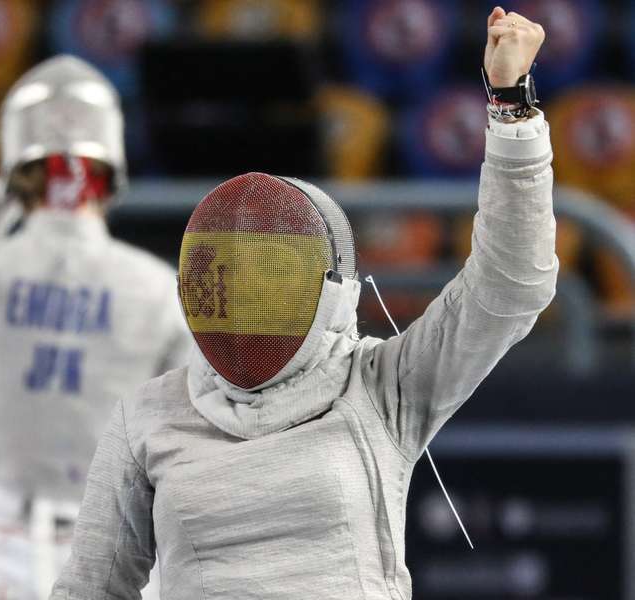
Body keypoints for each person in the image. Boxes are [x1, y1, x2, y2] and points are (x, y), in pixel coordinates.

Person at [51, 8, 556, 599]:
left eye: (272, 279)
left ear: (331, 289)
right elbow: (89, 589)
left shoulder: (380, 386)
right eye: (232, 278)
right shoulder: (149, 415)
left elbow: (512, 281)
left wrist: (510, 106)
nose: (250, 301)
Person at [0, 55, 191, 600]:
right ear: (109, 174)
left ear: (22, 172)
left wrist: (4, 189)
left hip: (2, 543)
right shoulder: (159, 289)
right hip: (118, 546)